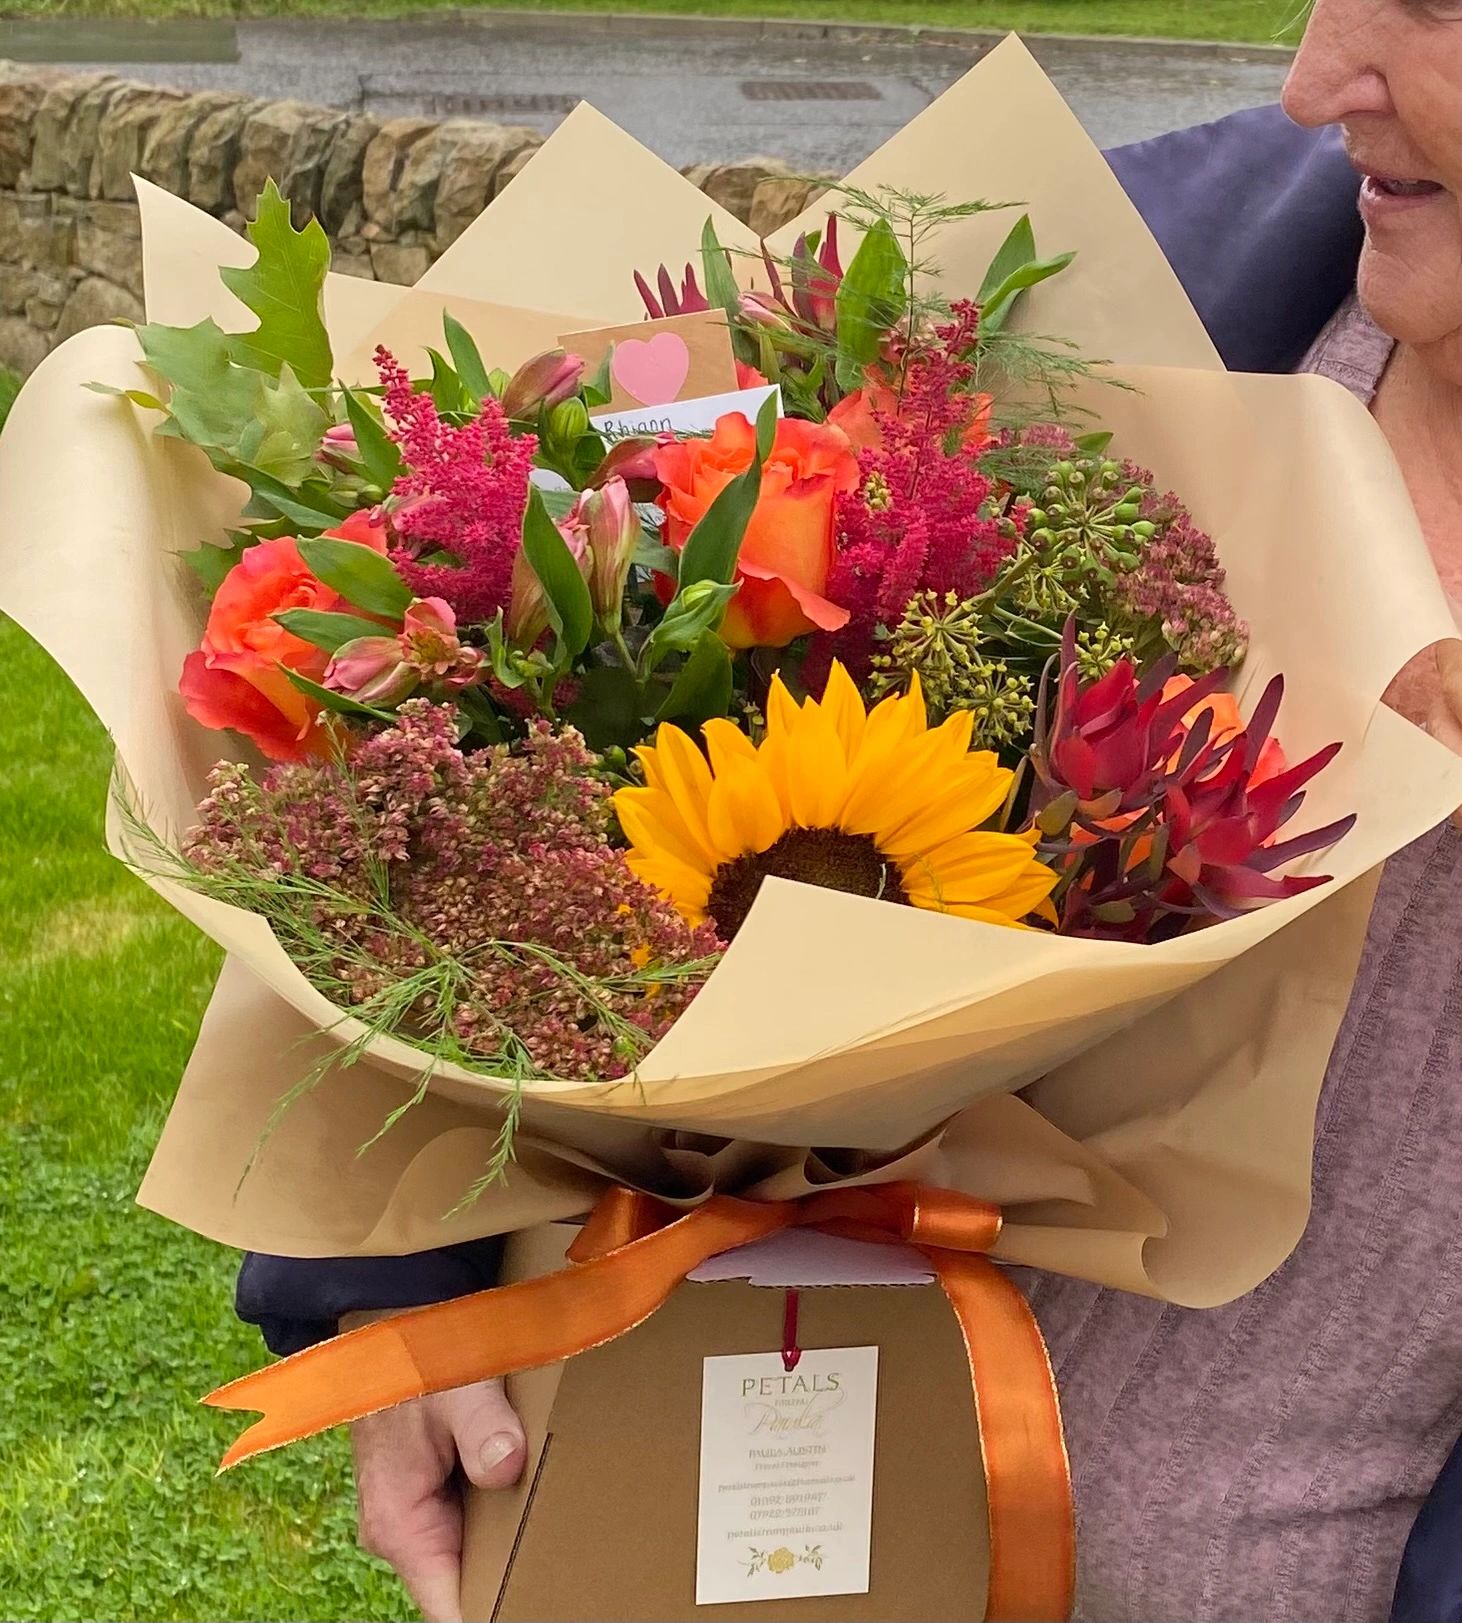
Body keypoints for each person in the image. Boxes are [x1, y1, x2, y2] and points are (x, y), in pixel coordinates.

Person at [234, 3, 1462, 1618]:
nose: (1313, 83)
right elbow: (480, 735)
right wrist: (398, 1284)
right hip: (735, 1526)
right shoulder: (1120, 283)